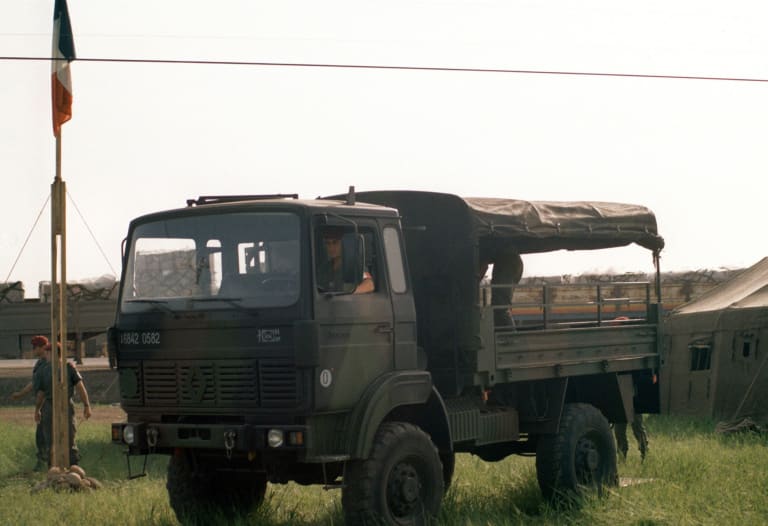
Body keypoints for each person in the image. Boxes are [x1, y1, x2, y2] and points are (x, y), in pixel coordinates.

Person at [33, 342, 92, 467]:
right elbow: (81, 387)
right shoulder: (67, 368)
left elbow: (40, 395)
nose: (46, 356)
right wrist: (86, 405)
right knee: (64, 439)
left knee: (55, 440)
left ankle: (61, 468)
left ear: (51, 353)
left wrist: (37, 410)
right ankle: (64, 468)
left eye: (47, 353)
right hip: (59, 405)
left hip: (54, 406)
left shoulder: (49, 369)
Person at [9, 335, 50, 471]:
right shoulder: (39, 363)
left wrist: (37, 409)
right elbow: (34, 383)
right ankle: (43, 462)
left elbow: (42, 390)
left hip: (47, 404)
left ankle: (47, 463)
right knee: (41, 435)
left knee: (45, 435)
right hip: (42, 403)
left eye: (35, 347)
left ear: (42, 347)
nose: (33, 350)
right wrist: (20, 394)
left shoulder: (49, 364)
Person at [316, 228, 374, 294]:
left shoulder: (354, 265)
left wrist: (350, 293)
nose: (331, 247)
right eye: (328, 243)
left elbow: (369, 285)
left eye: (335, 242)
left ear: (344, 244)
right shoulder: (324, 268)